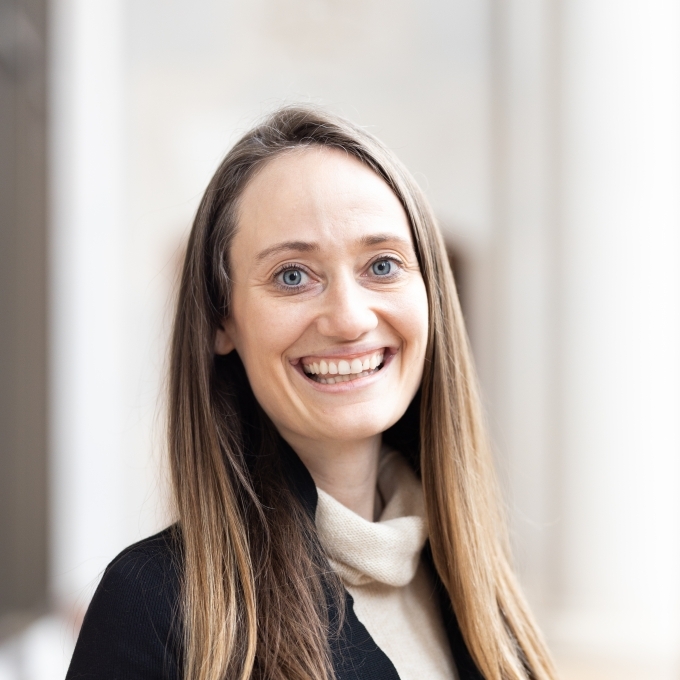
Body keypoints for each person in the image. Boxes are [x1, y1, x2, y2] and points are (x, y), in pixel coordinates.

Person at [66, 106, 557, 680]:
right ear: (222, 320)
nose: (349, 319)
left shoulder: (483, 592)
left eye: (382, 265)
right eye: (292, 275)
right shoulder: (153, 607)